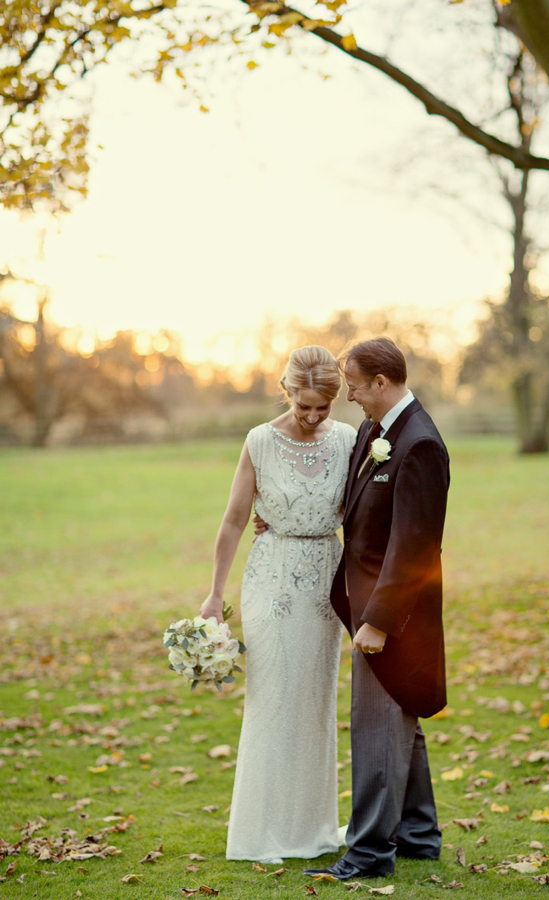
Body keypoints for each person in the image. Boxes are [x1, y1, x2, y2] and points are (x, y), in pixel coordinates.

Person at [199, 345, 356, 864]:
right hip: (270, 580)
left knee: (314, 703)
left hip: (325, 589)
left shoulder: (350, 441)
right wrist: (215, 593)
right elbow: (233, 521)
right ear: (285, 391)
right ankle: (260, 831)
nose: (312, 417)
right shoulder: (260, 441)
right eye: (303, 405)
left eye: (323, 408)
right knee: (271, 700)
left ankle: (309, 826)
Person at [303, 337, 450, 881]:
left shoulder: (419, 445)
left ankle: (367, 855)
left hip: (393, 617)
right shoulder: (374, 431)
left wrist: (379, 622)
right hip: (364, 602)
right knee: (400, 722)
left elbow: (415, 547)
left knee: (377, 730)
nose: (351, 397)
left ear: (382, 384)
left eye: (356, 386)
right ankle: (418, 834)